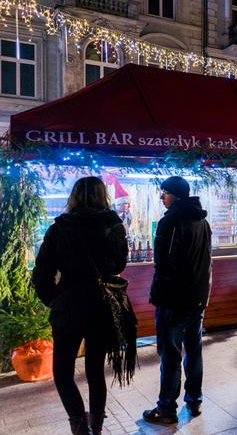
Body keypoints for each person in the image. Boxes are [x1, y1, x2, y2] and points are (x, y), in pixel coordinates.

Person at [32, 176, 129, 435]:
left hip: (69, 304)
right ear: (103, 195)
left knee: (63, 371)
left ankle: (79, 425)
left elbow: (41, 273)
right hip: (101, 305)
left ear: (73, 196)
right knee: (95, 369)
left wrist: (54, 300)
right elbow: (119, 265)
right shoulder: (115, 225)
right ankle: (96, 427)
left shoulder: (59, 228)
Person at [143, 176, 212, 425]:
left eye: (166, 192)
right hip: (196, 299)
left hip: (173, 300)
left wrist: (162, 294)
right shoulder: (202, 221)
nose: (162, 196)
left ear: (177, 195)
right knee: (194, 351)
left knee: (170, 354)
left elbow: (162, 263)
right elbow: (207, 262)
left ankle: (167, 408)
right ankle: (194, 401)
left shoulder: (170, 221)